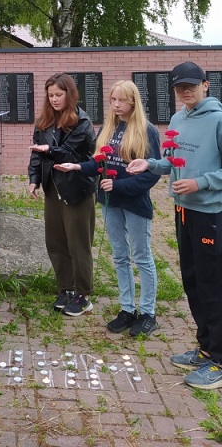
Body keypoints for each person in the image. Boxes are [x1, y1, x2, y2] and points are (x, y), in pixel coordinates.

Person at [128, 61, 222, 389]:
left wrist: (201, 183)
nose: (186, 91)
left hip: (210, 214)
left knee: (213, 285)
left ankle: (219, 359)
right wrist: (150, 164)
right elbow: (172, 160)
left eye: (192, 85)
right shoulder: (179, 119)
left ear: (205, 85)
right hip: (183, 212)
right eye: (180, 87)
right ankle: (207, 347)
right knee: (193, 282)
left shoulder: (218, 120)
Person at [54, 81, 161, 335]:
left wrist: (119, 186)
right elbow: (99, 164)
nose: (115, 105)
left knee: (142, 257)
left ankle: (148, 313)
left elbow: (152, 173)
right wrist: (78, 167)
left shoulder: (147, 131)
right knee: (120, 256)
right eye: (112, 100)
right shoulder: (109, 128)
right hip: (110, 203)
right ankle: (127, 309)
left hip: (134, 203)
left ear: (133, 101)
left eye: (121, 100)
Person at [28, 73, 96, 316]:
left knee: (78, 244)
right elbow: (36, 154)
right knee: (56, 242)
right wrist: (34, 180)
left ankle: (83, 294)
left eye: (59, 94)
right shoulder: (44, 121)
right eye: (51, 96)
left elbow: (69, 152)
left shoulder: (82, 122)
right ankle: (65, 288)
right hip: (52, 189)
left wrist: (50, 150)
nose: (55, 100)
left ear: (70, 94)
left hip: (76, 190)